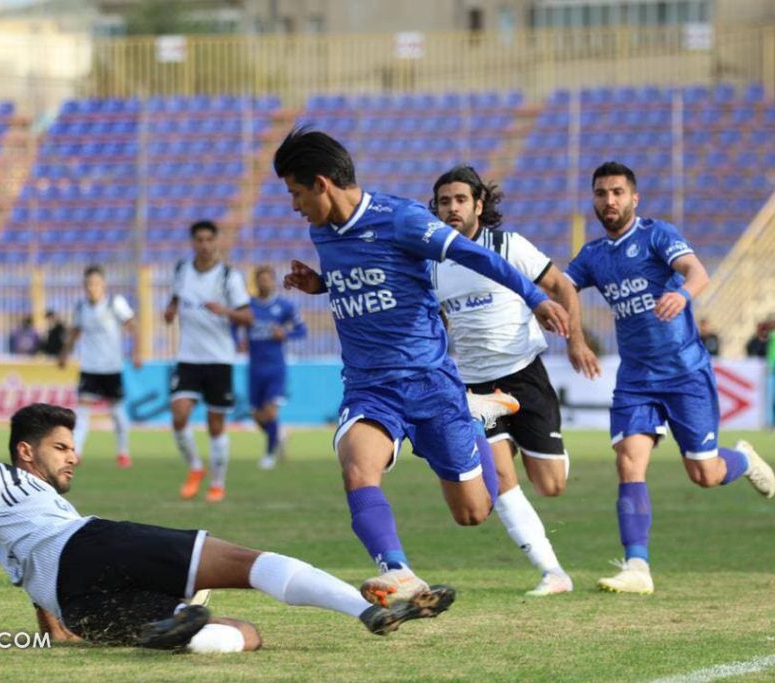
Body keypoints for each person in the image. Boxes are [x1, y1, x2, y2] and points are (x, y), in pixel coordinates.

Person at [0, 403, 457, 652]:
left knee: (248, 635)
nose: (74, 456)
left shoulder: (27, 518)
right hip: (90, 547)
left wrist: (59, 631)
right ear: (26, 452)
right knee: (243, 562)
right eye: (62, 447)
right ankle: (364, 608)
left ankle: (180, 625)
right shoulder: (0, 478)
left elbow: (32, 576)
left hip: (76, 602)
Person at [274, 128, 571, 608]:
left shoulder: (403, 220)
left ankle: (472, 416)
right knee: (356, 466)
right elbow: (370, 276)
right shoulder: (322, 231)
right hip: (371, 388)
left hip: (431, 385)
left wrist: (536, 297)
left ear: (323, 183)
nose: (294, 205)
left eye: (296, 192)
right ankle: (399, 573)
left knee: (473, 513)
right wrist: (323, 284)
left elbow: (477, 255)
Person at [565, 161, 774, 595]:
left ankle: (745, 460)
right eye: (602, 193)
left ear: (634, 198)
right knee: (628, 461)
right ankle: (637, 566)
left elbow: (698, 272)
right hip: (636, 378)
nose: (610, 201)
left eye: (618, 192)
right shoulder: (593, 256)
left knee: (705, 473)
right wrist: (575, 338)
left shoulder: (657, 235)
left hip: (685, 373)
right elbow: (562, 286)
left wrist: (680, 293)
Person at [429, 165, 602, 596]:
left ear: (479, 205)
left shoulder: (507, 245)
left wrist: (576, 340)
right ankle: (553, 573)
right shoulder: (432, 262)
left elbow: (562, 286)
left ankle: (526, 439)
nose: (452, 208)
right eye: (444, 202)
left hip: (524, 375)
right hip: (473, 388)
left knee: (551, 485)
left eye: (460, 200)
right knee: (501, 479)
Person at [164, 220, 253, 503]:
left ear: (216, 242)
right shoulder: (182, 270)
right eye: (199, 240)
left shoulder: (229, 276)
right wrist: (170, 311)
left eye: (208, 240)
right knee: (178, 415)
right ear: (192, 242)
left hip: (219, 359)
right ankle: (194, 468)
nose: (204, 245)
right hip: (188, 357)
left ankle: (217, 483)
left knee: (216, 425)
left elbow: (248, 316)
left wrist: (224, 310)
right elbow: (176, 300)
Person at [58, 266, 140, 467]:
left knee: (117, 412)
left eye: (95, 283)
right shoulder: (81, 307)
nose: (91, 288)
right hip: (90, 366)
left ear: (103, 284)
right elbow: (75, 332)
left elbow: (132, 325)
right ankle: (76, 452)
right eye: (88, 284)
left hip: (112, 367)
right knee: (83, 410)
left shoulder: (115, 303)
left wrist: (137, 351)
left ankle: (123, 452)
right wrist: (64, 353)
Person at [236, 265, 307, 470]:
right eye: (260, 279)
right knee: (257, 417)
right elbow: (234, 324)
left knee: (270, 412)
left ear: (273, 281)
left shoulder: (284, 306)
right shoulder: (247, 306)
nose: (264, 282)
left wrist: (285, 334)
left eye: (268, 279)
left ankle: (268, 455)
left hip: (275, 368)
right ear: (256, 282)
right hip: (254, 368)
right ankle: (280, 436)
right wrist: (237, 340)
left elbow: (302, 331)